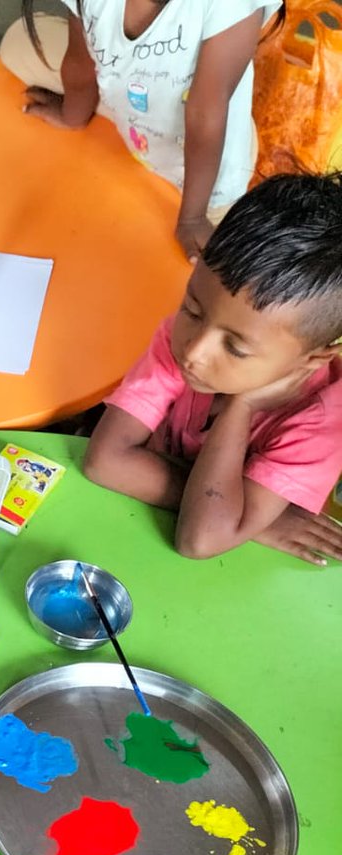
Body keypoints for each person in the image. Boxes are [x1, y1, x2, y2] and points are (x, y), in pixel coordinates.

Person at [83, 171, 342, 564]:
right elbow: (104, 462)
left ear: (311, 360)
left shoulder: (323, 423)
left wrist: (243, 406)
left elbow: (201, 540)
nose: (194, 353)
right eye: (192, 308)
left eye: (235, 348)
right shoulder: (188, 335)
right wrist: (254, 523)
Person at [0, 0, 284, 260]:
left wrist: (192, 219)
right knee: (18, 42)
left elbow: (206, 115)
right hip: (135, 112)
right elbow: (80, 64)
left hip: (209, 167)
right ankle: (114, 101)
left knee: (222, 272)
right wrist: (72, 115)